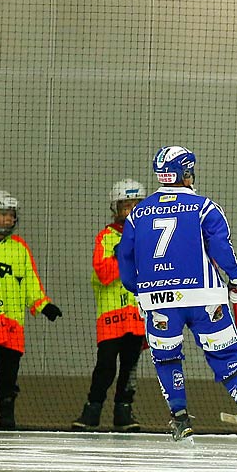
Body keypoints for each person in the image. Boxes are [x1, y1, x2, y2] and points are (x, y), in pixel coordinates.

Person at [116, 147, 237, 445]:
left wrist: (138, 291)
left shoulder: (138, 214)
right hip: (206, 299)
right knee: (227, 359)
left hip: (159, 302)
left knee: (166, 360)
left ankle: (180, 419)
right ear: (187, 172)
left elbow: (125, 258)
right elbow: (221, 249)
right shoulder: (205, 208)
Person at [0, 190, 61, 430]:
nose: (8, 219)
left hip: (12, 323)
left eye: (12, 215)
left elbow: (30, 283)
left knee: (9, 373)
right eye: (3, 214)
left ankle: (7, 415)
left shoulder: (20, 248)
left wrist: (43, 305)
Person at [74, 180, 148, 432]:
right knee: (105, 366)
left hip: (137, 316)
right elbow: (103, 274)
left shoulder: (149, 238)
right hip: (110, 317)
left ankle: (123, 413)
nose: (131, 211)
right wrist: (121, 255)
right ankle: (91, 411)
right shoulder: (106, 237)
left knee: (130, 369)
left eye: (136, 205)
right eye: (126, 206)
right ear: (115, 208)